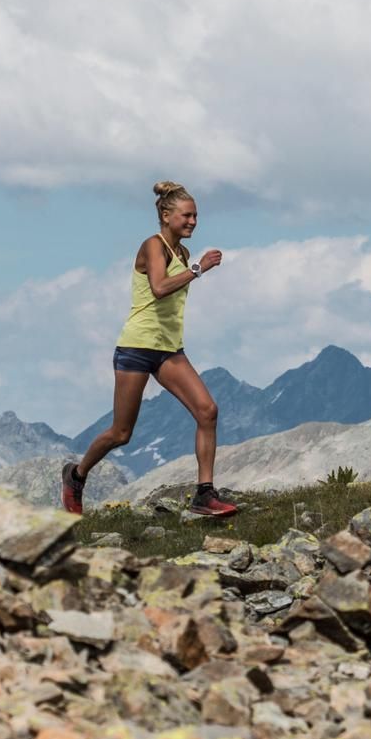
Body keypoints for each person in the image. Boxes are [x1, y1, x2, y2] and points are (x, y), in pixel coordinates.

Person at [61, 180, 239, 518]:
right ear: (166, 215)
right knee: (121, 433)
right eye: (187, 215)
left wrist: (192, 266)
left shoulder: (183, 254)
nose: (193, 222)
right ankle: (76, 475)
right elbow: (158, 288)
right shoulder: (152, 246)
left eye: (196, 216)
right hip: (136, 348)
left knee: (207, 411)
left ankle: (204, 494)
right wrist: (198, 269)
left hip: (169, 350)